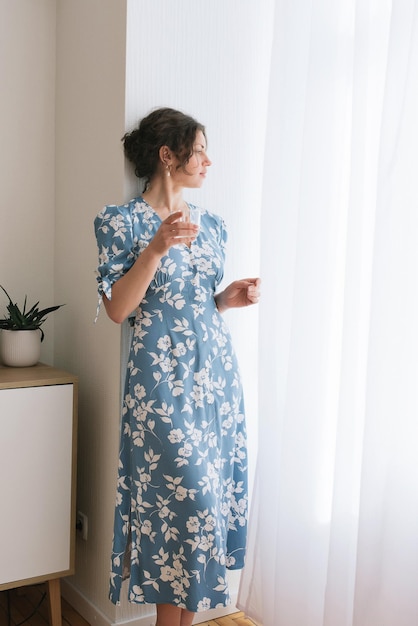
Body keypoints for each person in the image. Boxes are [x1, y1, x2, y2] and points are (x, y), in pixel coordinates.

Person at [94, 107, 261, 626]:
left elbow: (190, 304)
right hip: (158, 388)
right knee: (185, 508)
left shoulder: (213, 226)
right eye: (200, 149)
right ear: (168, 156)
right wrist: (156, 248)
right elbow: (119, 309)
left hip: (214, 383)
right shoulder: (118, 223)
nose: (209, 161)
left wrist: (224, 301)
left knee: (206, 514)